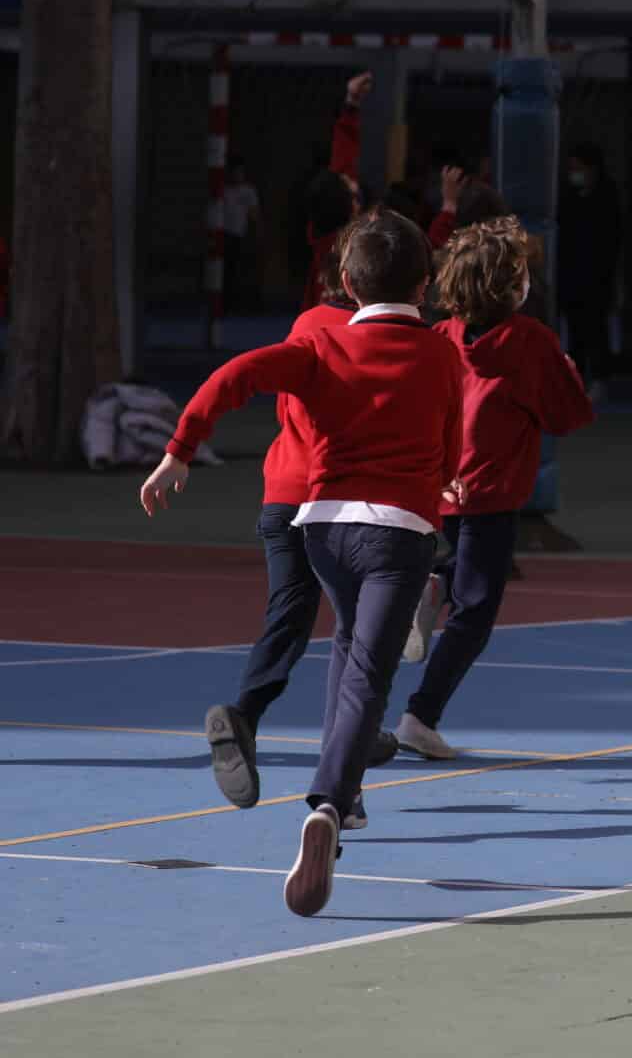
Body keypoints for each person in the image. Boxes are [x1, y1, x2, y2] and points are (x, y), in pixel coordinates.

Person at [141, 210, 464, 918]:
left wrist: (180, 448)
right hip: (398, 535)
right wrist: (442, 476)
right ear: (429, 283)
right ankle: (327, 804)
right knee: (365, 679)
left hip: (321, 532)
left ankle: (342, 804)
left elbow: (237, 373)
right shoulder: (444, 355)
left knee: (350, 648)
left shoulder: (320, 346)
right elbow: (450, 441)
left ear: (347, 283)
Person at [196, 231, 400, 826]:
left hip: (281, 494)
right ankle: (350, 768)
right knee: (360, 640)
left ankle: (245, 713)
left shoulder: (308, 322)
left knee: (289, 616)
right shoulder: (376, 340)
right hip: (338, 499)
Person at [387, 217, 594, 760]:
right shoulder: (530, 343)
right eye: (521, 272)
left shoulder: (440, 337)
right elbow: (567, 415)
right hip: (492, 489)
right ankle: (420, 714)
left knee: (473, 570)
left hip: (441, 484)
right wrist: (568, 374)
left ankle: (435, 583)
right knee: (478, 607)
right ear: (507, 284)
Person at [302, 73, 370, 312]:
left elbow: (344, 158)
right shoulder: (345, 252)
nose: (353, 182)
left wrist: (351, 103)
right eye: (351, 189)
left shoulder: (327, 227)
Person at [558, 143, 623, 390]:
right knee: (575, 328)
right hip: (572, 272)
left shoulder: (606, 196)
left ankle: (598, 376)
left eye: (578, 168)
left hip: (597, 274)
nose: (574, 173)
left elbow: (612, 239)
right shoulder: (568, 197)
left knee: (596, 327)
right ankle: (578, 376)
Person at [220, 155, 262, 314]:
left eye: (240, 172)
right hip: (225, 235)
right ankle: (225, 303)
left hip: (240, 235)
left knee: (241, 270)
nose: (237, 175)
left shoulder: (248, 191)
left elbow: (254, 214)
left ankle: (243, 303)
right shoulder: (224, 190)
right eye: (234, 172)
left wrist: (257, 234)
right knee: (226, 271)